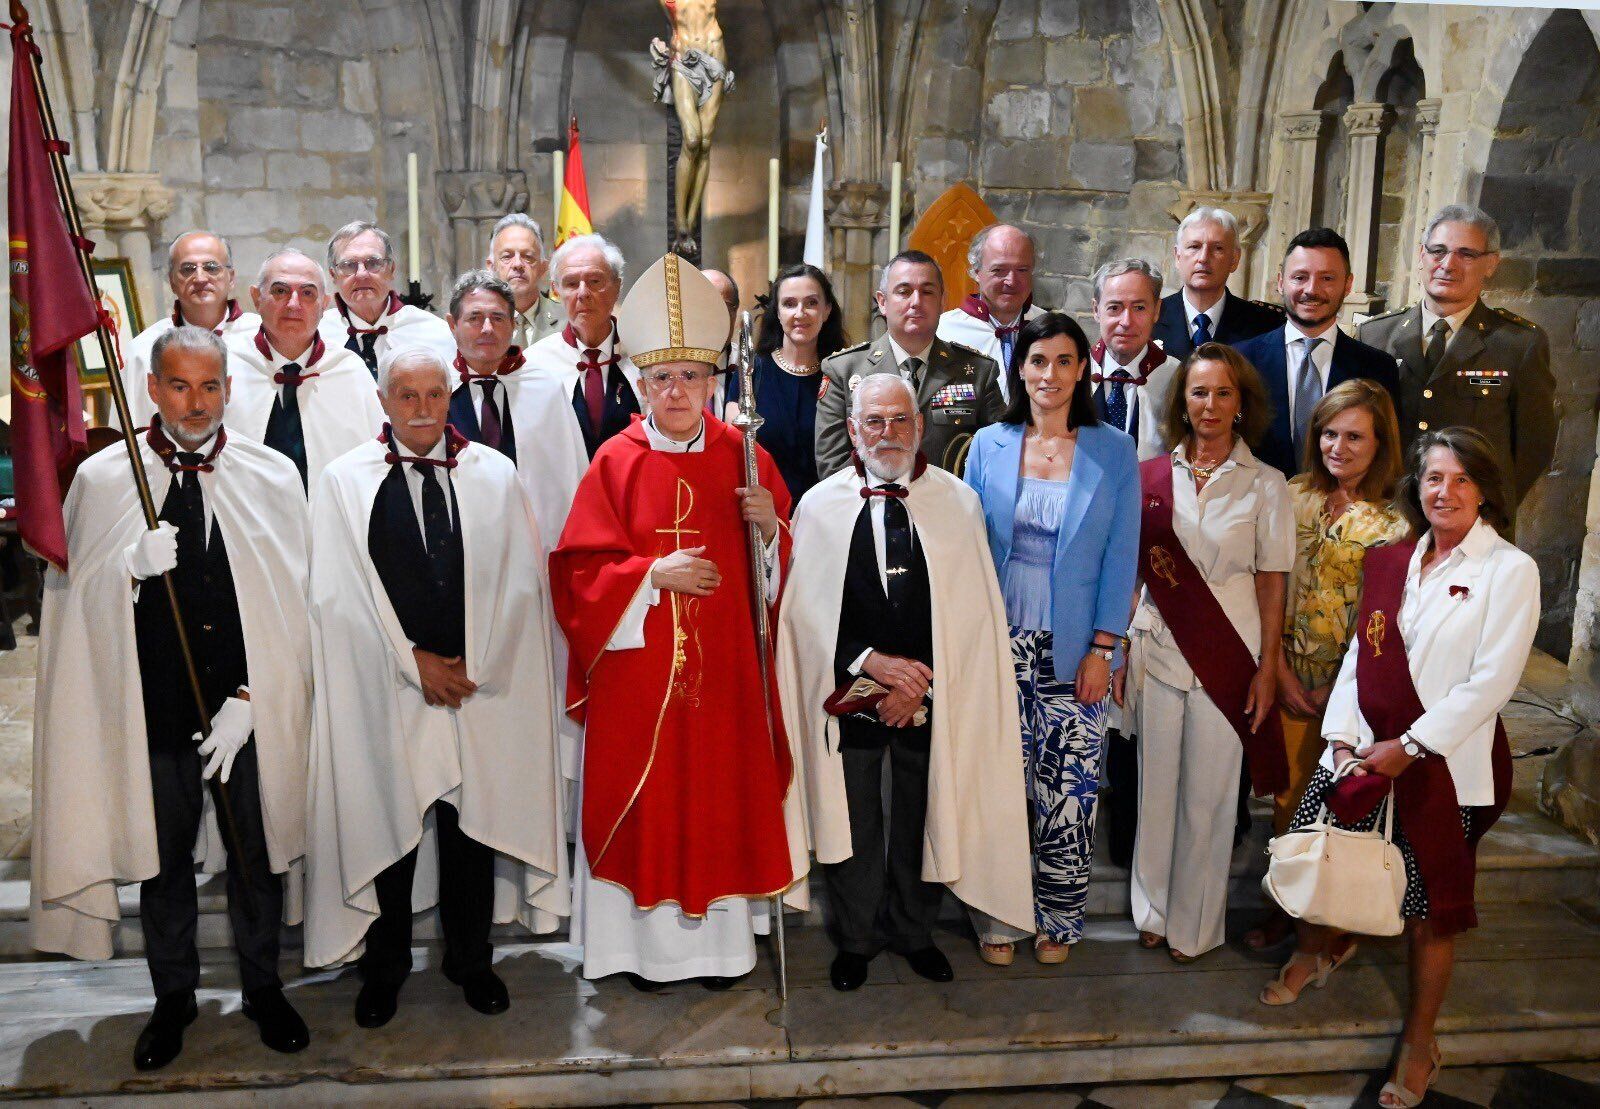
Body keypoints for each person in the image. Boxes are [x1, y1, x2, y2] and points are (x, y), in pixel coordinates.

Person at [32, 327, 312, 1069]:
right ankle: (173, 997)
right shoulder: (102, 479)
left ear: (230, 388)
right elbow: (73, 609)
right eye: (180, 386)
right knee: (162, 863)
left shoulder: (272, 475)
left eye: (211, 386)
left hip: (245, 713)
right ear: (152, 389)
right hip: (152, 710)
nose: (196, 403)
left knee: (257, 858)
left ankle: (263, 987)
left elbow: (297, 604)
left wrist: (254, 694)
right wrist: (125, 567)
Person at [549, 253, 806, 989]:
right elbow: (576, 573)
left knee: (720, 799)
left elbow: (779, 585)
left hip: (722, 679)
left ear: (712, 383)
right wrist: (649, 575)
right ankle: (634, 950)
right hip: (638, 680)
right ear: (641, 384)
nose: (677, 391)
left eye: (691, 376)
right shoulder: (615, 462)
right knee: (647, 807)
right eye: (662, 378)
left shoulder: (747, 460)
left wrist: (768, 531)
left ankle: (722, 953)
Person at [1261, 427, 1537, 1108]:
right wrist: (1343, 740)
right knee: (1320, 849)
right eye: (1435, 477)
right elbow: (1361, 656)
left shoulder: (1509, 569)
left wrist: (1409, 747)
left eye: (1462, 479)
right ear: (1418, 485)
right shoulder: (1390, 560)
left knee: (1430, 908)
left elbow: (1491, 682)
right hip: (1360, 746)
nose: (1445, 491)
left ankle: (1420, 1039)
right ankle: (1316, 949)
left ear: (1485, 491)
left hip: (1445, 761)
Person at [303, 347, 568, 1028]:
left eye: (433, 394)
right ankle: (385, 966)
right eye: (406, 395)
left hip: (474, 686)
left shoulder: (492, 472)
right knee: (390, 825)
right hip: (389, 688)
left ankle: (470, 959)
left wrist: (470, 663)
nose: (421, 408)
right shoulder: (344, 480)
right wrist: (410, 661)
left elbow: (518, 582)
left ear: (449, 396)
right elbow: (336, 592)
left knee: (468, 833)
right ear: (385, 402)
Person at [778, 373, 1034, 990]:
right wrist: (870, 663)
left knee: (927, 809)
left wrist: (919, 681)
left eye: (899, 421)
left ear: (920, 426)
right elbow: (804, 615)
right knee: (854, 814)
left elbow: (970, 612)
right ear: (851, 430)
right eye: (873, 421)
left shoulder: (956, 502)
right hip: (851, 688)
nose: (887, 434)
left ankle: (915, 931)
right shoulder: (819, 505)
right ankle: (857, 937)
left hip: (930, 690)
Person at [962, 313, 1141, 965]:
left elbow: (1123, 555)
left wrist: (1104, 648)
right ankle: (999, 919)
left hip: (1076, 648)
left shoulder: (1113, 449)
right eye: (1039, 360)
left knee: (1068, 790)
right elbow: (972, 545)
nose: (1051, 374)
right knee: (998, 786)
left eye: (1065, 361)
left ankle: (1060, 921)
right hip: (998, 639)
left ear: (1082, 370)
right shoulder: (988, 443)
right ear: (1020, 367)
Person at [1117, 342, 1294, 961]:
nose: (1211, 404)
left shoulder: (1268, 485)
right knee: (1155, 788)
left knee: (1212, 797)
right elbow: (1135, 573)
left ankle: (1196, 925)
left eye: (1224, 393)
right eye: (1199, 392)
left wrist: (1268, 668)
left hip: (1230, 654)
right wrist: (1117, 651)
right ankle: (1154, 909)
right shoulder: (1149, 478)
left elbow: (1273, 581)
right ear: (1181, 402)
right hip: (1160, 645)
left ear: (1242, 404)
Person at [1246, 380, 1407, 952]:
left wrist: (1350, 691)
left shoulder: (1396, 521)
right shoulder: (1293, 495)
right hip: (1289, 673)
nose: (1338, 447)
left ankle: (1333, 924)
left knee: (1340, 800)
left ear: (1381, 441)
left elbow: (1386, 615)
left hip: (1355, 687)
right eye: (1329, 434)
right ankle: (1287, 908)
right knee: (1288, 801)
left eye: (1355, 437)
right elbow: (1271, 583)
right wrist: (1279, 670)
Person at [1359, 205, 1557, 522]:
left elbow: (1534, 447)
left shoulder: (1518, 344)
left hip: (1472, 524)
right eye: (1438, 251)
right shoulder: (1375, 335)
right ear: (1422, 255)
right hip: (1384, 516)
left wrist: (1488, 510)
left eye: (1466, 254)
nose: (1448, 264)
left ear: (1491, 264)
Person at [816, 249, 1003, 477]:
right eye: (904, 292)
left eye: (927, 292)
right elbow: (832, 466)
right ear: (883, 302)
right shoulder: (844, 371)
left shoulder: (977, 372)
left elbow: (996, 458)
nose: (916, 302)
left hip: (949, 505)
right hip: (869, 505)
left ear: (942, 301)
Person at [1233, 228, 1401, 477]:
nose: (1311, 290)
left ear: (1348, 284)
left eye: (1327, 278)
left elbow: (1387, 459)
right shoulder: (1241, 361)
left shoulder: (1377, 368)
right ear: (1280, 282)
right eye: (1300, 277)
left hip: (1346, 511)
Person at [444, 269, 587, 550]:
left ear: (512, 324)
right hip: (462, 548)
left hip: (535, 545)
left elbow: (572, 478)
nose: (487, 328)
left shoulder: (545, 389)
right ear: (452, 324)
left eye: (497, 318)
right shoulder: (437, 392)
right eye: (474, 318)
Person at [225, 249, 385, 491]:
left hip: (329, 521)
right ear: (257, 298)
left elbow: (377, 460)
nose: (293, 304)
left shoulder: (349, 371)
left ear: (324, 304)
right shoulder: (225, 367)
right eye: (280, 291)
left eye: (308, 293)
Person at [724, 263, 846, 501]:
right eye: (789, 304)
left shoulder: (842, 374)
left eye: (811, 303)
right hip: (764, 517)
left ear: (827, 310)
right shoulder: (750, 372)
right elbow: (734, 450)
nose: (800, 313)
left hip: (829, 514)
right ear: (777, 312)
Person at [117, 231, 259, 429]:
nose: (200, 278)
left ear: (231, 278)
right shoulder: (143, 350)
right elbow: (130, 435)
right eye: (187, 269)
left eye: (211, 267)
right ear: (172, 281)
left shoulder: (262, 338)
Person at [525, 233, 644, 458]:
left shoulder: (645, 356)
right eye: (571, 283)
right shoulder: (535, 363)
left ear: (617, 286)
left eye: (595, 281)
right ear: (556, 291)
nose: (582, 293)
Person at [317, 219, 456, 375]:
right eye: (349, 265)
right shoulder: (317, 334)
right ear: (333, 275)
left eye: (373, 263)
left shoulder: (433, 331)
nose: (362, 274)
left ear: (391, 269)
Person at [1152, 206, 1284, 361]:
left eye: (1218, 248)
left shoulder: (1265, 325)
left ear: (1234, 259)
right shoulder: (1150, 318)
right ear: (1177, 256)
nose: (1203, 258)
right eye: (1194, 247)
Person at [936, 224, 1048, 402]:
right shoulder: (943, 332)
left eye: (1022, 270)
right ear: (976, 271)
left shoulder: (1051, 329)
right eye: (999, 270)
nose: (1011, 281)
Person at [1087, 258, 1180, 461]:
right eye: (1114, 308)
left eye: (1139, 308)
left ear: (1156, 311)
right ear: (1096, 310)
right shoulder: (1075, 370)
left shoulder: (1177, 376)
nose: (1126, 322)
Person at [486, 213, 563, 348]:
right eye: (507, 256)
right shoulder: (478, 325)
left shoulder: (568, 321)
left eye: (528, 256)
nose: (517, 264)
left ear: (543, 267)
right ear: (491, 267)